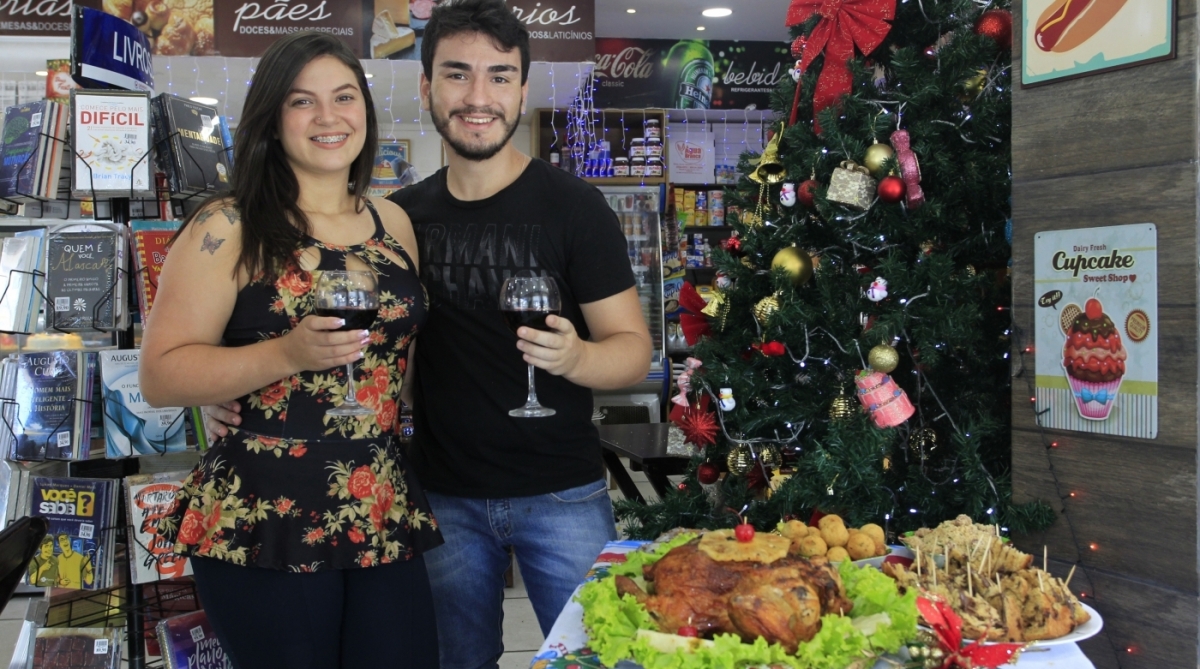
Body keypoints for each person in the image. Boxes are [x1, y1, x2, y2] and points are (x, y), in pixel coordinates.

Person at [206, 1, 651, 666]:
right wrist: (233, 383)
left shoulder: (575, 208)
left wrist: (578, 355)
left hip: (562, 492)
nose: (478, 96)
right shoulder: (396, 220)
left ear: (522, 89)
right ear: (426, 87)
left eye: (500, 76)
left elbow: (633, 352)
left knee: (597, 658)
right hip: (439, 494)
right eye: (457, 74)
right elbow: (381, 354)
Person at [140, 31, 441, 669]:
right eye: (303, 101)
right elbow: (161, 375)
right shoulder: (228, 224)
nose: (329, 117)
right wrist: (286, 355)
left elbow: (398, 360)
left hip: (379, 497)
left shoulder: (393, 223)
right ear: (273, 120)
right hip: (264, 510)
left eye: (345, 97)